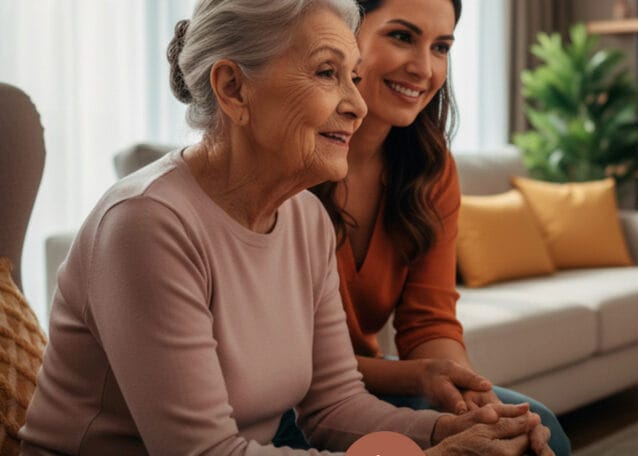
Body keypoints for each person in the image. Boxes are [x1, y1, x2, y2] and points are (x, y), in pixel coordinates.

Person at [19, 0, 547, 455]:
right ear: (232, 88)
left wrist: (447, 430)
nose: (358, 105)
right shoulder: (145, 224)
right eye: (326, 73)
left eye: (353, 75)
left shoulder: (305, 218)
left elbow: (334, 403)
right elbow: (204, 452)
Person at [308, 0, 572, 454]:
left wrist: (474, 399)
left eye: (441, 47)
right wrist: (421, 377)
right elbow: (288, 365)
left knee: (534, 429)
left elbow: (429, 322)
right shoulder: (292, 161)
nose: (424, 68)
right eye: (402, 37)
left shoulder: (430, 171)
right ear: (341, 34)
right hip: (295, 398)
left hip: (365, 382)